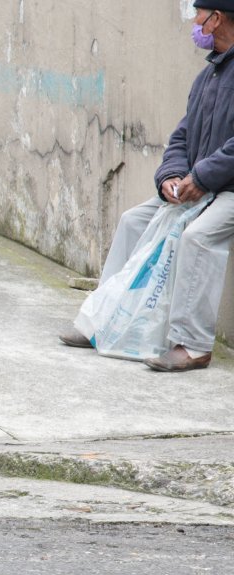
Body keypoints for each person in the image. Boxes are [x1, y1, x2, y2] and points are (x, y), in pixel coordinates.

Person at [60, 1, 234, 372]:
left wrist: (200, 178)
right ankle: (102, 322)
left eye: (199, 14)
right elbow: (182, 136)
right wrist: (170, 176)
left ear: (217, 19)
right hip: (200, 187)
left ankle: (194, 344)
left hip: (227, 191)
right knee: (133, 219)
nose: (195, 22)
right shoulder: (208, 77)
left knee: (198, 236)